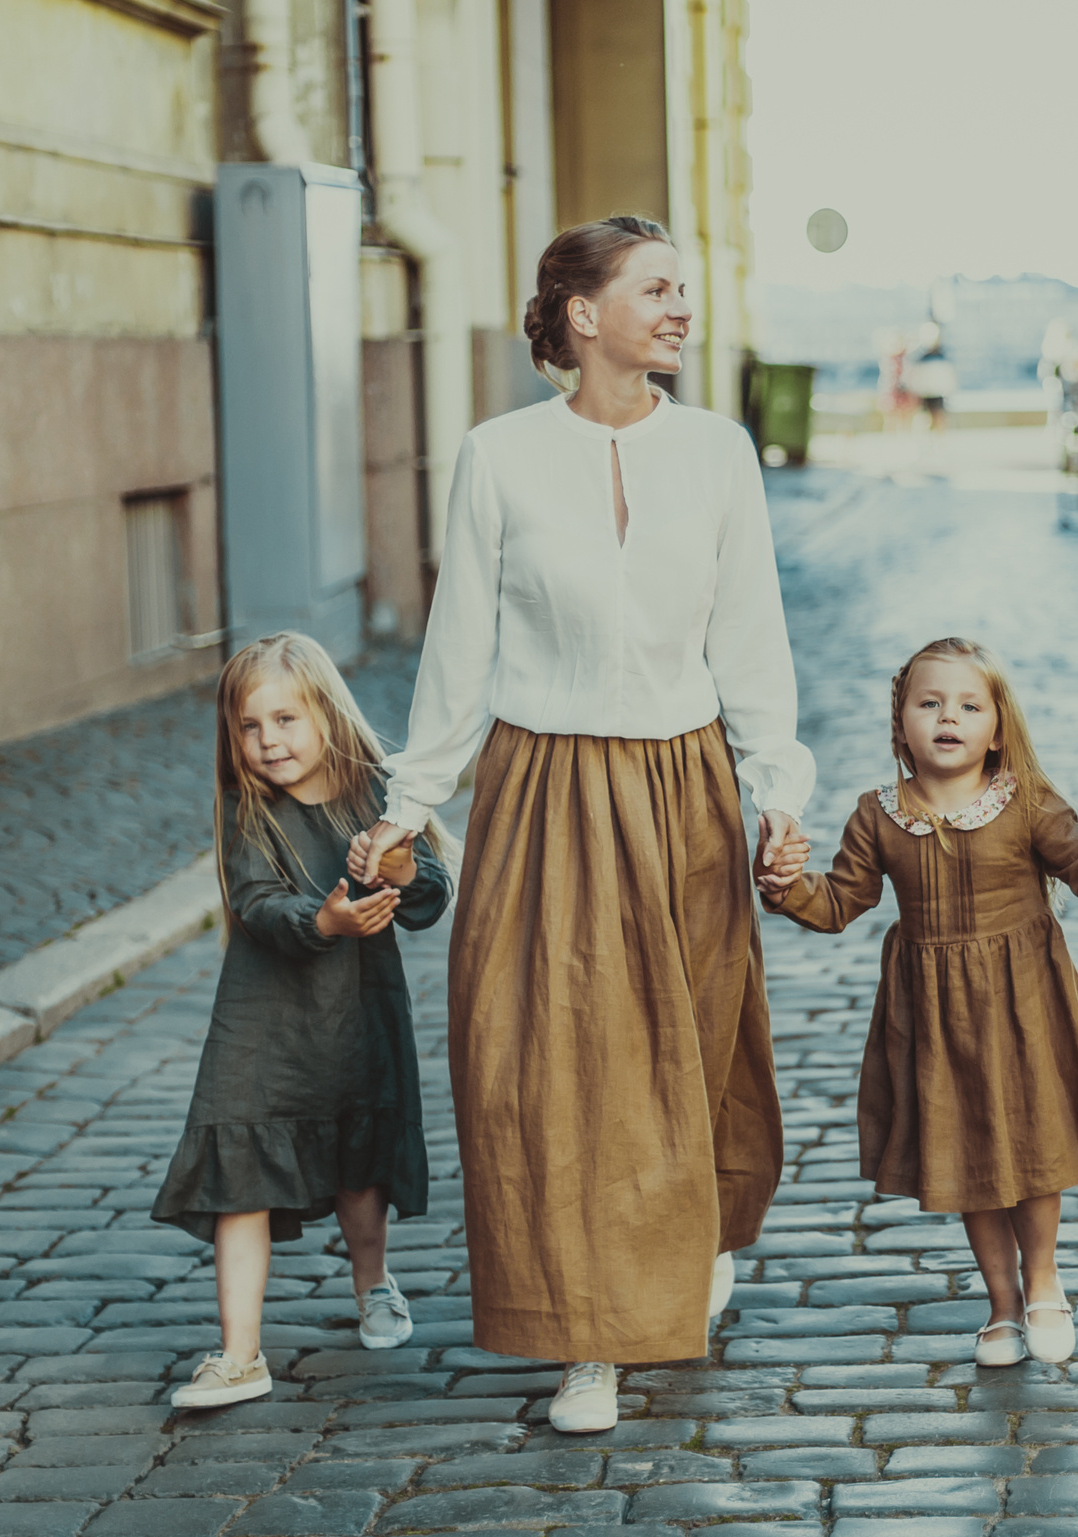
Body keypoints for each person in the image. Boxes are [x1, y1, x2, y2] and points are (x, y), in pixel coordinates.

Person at [345, 216, 813, 1435]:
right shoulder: (498, 458)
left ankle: (694, 1247)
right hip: (544, 787)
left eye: (681, 291)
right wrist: (408, 810)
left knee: (696, 1042)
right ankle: (590, 1333)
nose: (678, 310)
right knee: (555, 1065)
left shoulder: (717, 453)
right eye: (654, 290)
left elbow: (750, 635)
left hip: (686, 784)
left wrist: (778, 791)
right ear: (582, 312)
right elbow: (459, 655)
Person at [758, 638, 1078, 1366]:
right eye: (929, 704)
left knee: (1035, 1147)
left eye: (967, 705)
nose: (947, 717)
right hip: (935, 1019)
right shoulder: (879, 815)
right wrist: (786, 884)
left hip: (1026, 1008)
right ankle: (1002, 1304)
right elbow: (838, 901)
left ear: (997, 727)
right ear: (901, 727)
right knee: (970, 1158)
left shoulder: (1026, 804)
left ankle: (1044, 1281)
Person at [156, 633, 453, 1409]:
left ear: (326, 714)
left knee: (359, 1163)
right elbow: (255, 903)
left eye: (286, 719)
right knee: (240, 1170)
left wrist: (399, 869)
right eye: (250, 727)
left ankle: (373, 1282)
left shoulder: (378, 796)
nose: (268, 741)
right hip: (261, 1024)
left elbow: (427, 899)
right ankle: (239, 1353)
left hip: (357, 1014)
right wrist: (322, 922)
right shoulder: (246, 807)